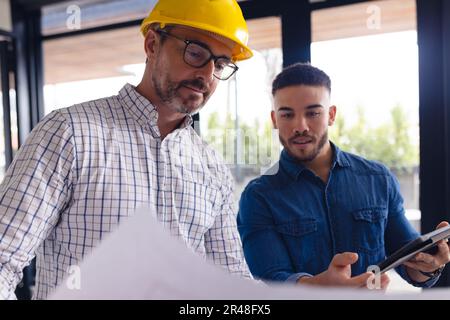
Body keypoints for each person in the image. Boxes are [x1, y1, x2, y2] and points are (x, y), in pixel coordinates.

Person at [0, 0, 253, 300]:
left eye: (221, 64)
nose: (208, 76)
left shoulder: (211, 167)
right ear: (152, 45)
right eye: (196, 53)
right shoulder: (69, 133)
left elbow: (232, 284)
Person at [237, 63, 450, 289]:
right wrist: (319, 288)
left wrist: (429, 265)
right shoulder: (258, 197)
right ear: (274, 120)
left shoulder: (378, 179)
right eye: (287, 114)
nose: (300, 126)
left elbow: (409, 262)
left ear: (331, 115)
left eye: (313, 113)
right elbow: (271, 278)